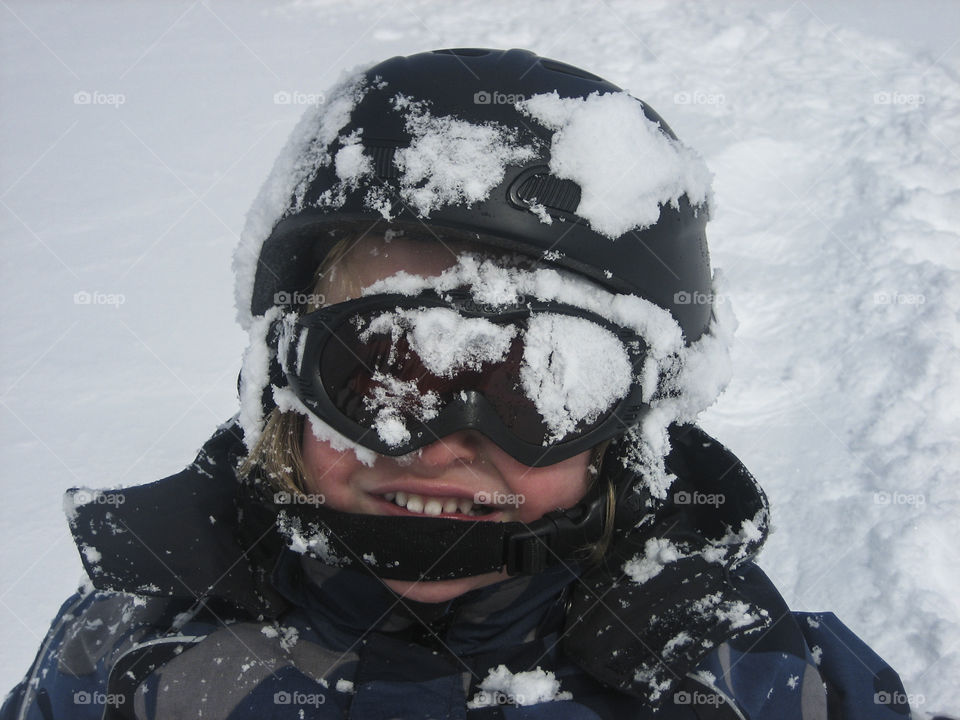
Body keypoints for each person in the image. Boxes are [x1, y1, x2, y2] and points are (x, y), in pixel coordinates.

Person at [2, 48, 912, 720]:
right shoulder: (130, 655)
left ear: (625, 434)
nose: (440, 444)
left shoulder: (755, 683)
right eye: (377, 370)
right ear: (283, 388)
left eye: (546, 383)